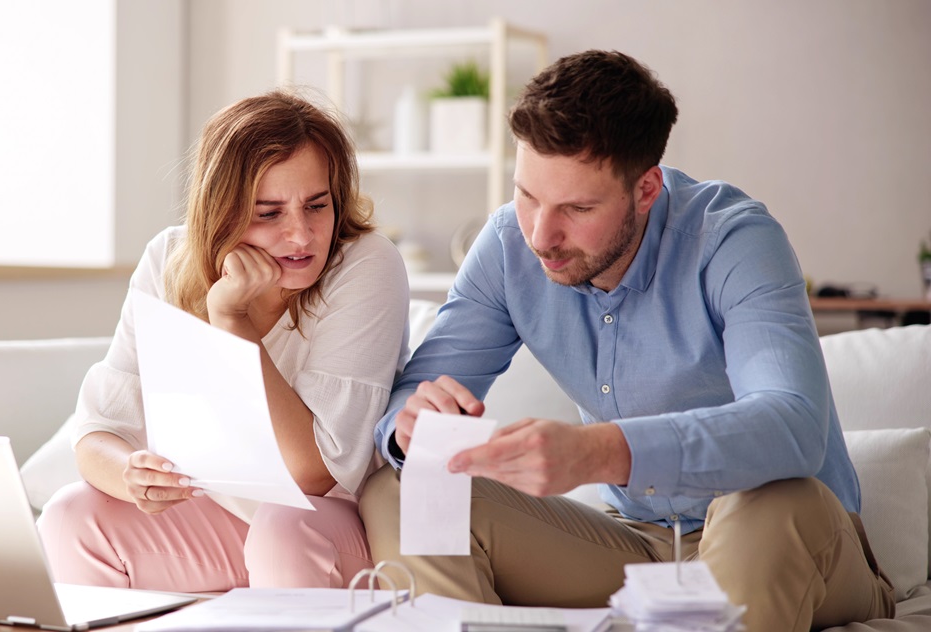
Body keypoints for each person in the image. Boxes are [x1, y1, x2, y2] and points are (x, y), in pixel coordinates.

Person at [360, 50, 894, 631]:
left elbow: (792, 427)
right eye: (528, 195)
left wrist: (600, 451)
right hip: (635, 549)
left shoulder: (734, 240)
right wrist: (411, 425)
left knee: (768, 501)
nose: (541, 234)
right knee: (404, 489)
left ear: (646, 189)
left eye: (578, 207)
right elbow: (412, 397)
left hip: (793, 543)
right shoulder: (509, 245)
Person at [38, 89, 410, 591]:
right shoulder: (169, 257)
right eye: (269, 213)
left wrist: (233, 321)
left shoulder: (366, 263)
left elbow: (314, 473)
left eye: (316, 206)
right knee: (70, 515)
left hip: (337, 525)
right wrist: (131, 473)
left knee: (282, 527)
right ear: (222, 212)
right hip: (228, 521)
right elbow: (99, 430)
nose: (301, 236)